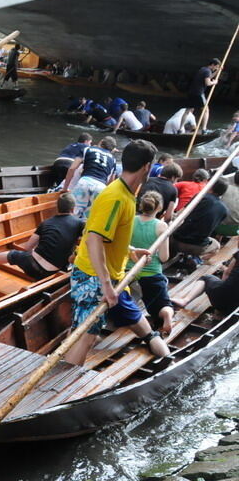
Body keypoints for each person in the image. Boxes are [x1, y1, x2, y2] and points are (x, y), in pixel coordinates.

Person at [65, 139, 170, 366]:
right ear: (146, 167)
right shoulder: (116, 197)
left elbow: (104, 233)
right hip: (93, 276)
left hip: (110, 274)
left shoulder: (127, 194)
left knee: (88, 329)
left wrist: (130, 250)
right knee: (87, 336)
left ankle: (150, 336)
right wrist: (105, 285)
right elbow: (94, 239)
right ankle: (58, 388)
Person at [0, 193, 83, 280]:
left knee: (13, 255)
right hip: (54, 271)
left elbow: (28, 247)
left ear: (57, 208)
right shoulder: (79, 224)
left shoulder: (46, 223)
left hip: (32, 266)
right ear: (73, 209)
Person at [127, 192, 173, 335]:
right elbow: (164, 257)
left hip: (127, 273)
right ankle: (166, 314)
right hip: (151, 274)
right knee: (162, 305)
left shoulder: (130, 220)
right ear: (159, 208)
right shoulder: (161, 226)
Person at [62, 135, 118, 220]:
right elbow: (111, 182)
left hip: (85, 182)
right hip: (101, 187)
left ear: (101, 141)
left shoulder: (87, 149)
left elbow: (72, 168)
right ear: (111, 149)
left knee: (73, 214)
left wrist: (65, 188)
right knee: (88, 218)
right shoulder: (113, 160)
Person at [170, 179, 229, 261]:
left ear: (211, 187)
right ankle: (198, 261)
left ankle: (172, 255)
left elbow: (180, 214)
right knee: (217, 246)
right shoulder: (224, 210)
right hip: (198, 246)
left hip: (176, 240)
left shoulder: (200, 196)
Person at [171, 249, 239, 315]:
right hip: (236, 306)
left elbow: (227, 273)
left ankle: (185, 300)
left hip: (222, 298)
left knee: (205, 278)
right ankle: (222, 311)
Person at [187, 58, 220, 132]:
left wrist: (217, 72)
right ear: (212, 65)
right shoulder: (207, 71)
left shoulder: (203, 69)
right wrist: (215, 82)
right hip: (199, 93)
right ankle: (204, 129)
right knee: (205, 110)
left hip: (192, 92)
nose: (216, 68)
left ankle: (180, 128)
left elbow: (209, 77)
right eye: (216, 67)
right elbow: (208, 83)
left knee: (188, 110)